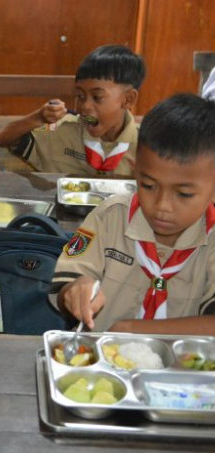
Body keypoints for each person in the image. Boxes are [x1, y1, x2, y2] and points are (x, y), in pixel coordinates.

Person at [49, 93, 215, 335]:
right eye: (149, 186)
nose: (162, 206)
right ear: (135, 170)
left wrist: (133, 330)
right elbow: (67, 281)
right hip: (101, 364)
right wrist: (76, 289)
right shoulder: (109, 217)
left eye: (184, 194)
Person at [0, 45, 146, 177]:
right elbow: (3, 138)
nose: (85, 106)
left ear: (128, 100)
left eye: (97, 97)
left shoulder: (146, 146)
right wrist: (39, 117)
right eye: (80, 96)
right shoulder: (65, 131)